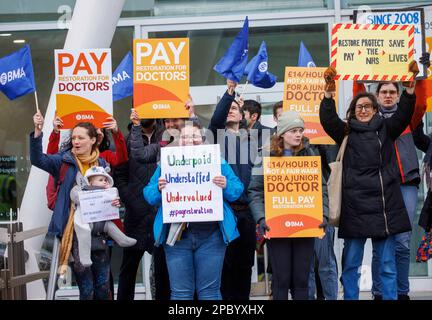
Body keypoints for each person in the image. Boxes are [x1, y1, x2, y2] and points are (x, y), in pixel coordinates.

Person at [319, 64, 416, 300]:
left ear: (375, 110)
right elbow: (327, 118)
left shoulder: (387, 129)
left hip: (384, 208)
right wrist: (329, 93)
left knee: (387, 266)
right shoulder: (345, 131)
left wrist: (410, 89)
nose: (363, 110)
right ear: (353, 111)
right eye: (359, 107)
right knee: (351, 266)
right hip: (354, 209)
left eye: (368, 107)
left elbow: (404, 112)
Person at [143, 121, 244, 300]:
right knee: (181, 294)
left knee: (210, 293)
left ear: (203, 140)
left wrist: (226, 184)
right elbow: (149, 195)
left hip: (212, 237)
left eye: (194, 136)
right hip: (176, 238)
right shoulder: (167, 163)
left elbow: (237, 190)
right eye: (185, 137)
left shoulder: (217, 161)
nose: (189, 140)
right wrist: (158, 189)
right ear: (178, 140)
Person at [30, 111, 112, 300]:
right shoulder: (63, 161)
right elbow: (37, 160)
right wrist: (38, 131)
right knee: (87, 290)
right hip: (73, 235)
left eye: (81, 138)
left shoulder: (102, 163)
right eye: (74, 137)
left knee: (102, 289)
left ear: (93, 140)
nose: (76, 141)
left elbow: (109, 192)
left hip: (99, 234)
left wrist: (113, 201)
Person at [248, 111, 328, 300]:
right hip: (277, 225)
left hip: (305, 225)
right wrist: (261, 218)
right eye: (293, 130)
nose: (298, 134)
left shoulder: (309, 152)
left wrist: (323, 215)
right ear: (282, 133)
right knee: (281, 279)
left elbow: (321, 188)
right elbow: (255, 191)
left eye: (300, 130)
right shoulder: (266, 155)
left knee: (301, 280)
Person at [209, 79, 259, 300]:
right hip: (224, 210)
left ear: (243, 116)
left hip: (248, 211)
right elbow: (216, 119)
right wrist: (230, 93)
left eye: (235, 109)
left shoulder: (254, 140)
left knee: (245, 265)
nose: (230, 112)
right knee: (224, 267)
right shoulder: (214, 138)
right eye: (227, 108)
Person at [69, 166, 136, 267]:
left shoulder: (107, 193)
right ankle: (85, 257)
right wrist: (84, 195)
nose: (104, 182)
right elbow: (74, 195)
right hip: (86, 220)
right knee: (84, 232)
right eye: (101, 180)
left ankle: (122, 239)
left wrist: (114, 201)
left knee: (111, 226)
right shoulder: (82, 189)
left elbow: (114, 204)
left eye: (105, 180)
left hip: (102, 221)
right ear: (90, 182)